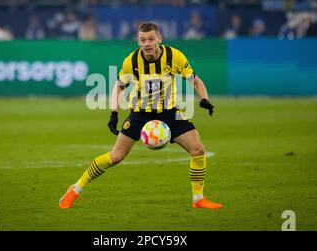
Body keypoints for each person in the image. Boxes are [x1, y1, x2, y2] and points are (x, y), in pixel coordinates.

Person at [59, 22, 223, 210]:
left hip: (169, 113)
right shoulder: (131, 61)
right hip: (140, 114)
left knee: (198, 150)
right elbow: (119, 87)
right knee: (115, 156)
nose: (147, 43)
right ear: (138, 41)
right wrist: (114, 113)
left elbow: (195, 81)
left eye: (151, 39)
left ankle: (198, 198)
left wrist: (204, 99)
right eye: (143, 40)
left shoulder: (174, 56)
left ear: (159, 39)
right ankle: (75, 189)